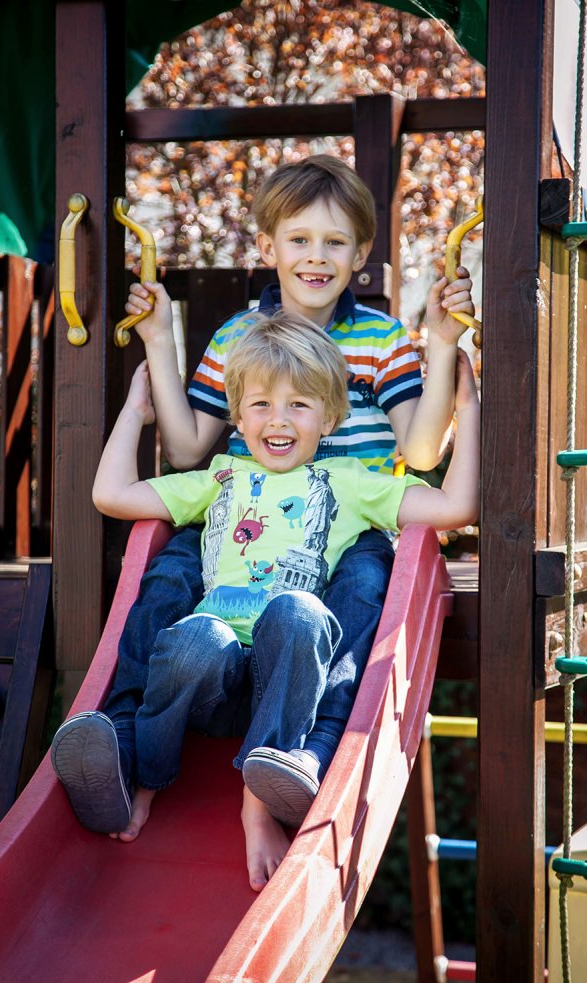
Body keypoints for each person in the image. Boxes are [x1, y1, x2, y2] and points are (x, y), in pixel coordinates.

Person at [54, 154, 475, 844]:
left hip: (348, 521)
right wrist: (160, 340)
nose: (317, 257)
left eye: (335, 242)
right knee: (165, 581)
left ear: (360, 253)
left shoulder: (377, 339)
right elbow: (190, 449)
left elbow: (422, 453)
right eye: (300, 240)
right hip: (243, 516)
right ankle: (124, 746)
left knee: (356, 595)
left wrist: (439, 346)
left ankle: (297, 754)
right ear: (267, 247)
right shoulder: (235, 338)